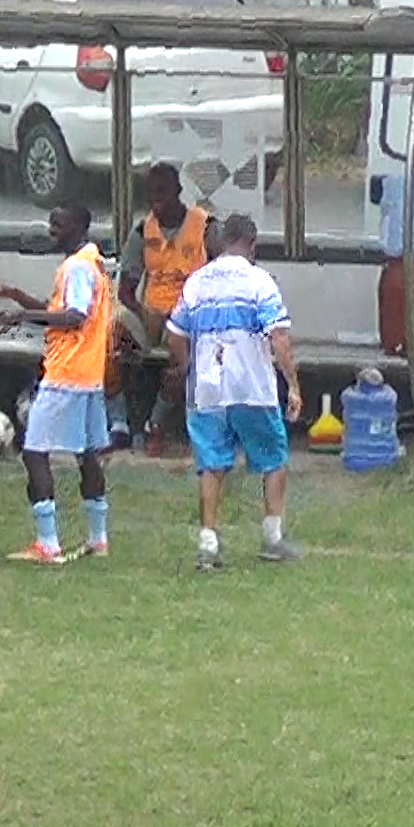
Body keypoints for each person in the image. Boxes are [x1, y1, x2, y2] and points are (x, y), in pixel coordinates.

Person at [163, 213, 304, 570]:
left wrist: (186, 367)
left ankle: (208, 542)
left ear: (221, 242)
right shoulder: (260, 282)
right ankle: (272, 536)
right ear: (252, 244)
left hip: (208, 386)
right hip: (250, 386)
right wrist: (294, 386)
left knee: (210, 463)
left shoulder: (197, 282)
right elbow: (279, 338)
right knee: (273, 457)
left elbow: (175, 334)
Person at [0, 203, 115, 565]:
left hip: (66, 373)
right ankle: (97, 538)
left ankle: (47, 542)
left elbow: (74, 317)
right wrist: (17, 297)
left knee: (34, 450)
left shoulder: (76, 267)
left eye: (59, 224)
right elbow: (59, 308)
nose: (52, 230)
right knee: (87, 452)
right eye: (51, 224)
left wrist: (22, 315)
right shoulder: (93, 263)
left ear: (80, 224)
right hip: (89, 374)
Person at [119, 162, 220, 457]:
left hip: (194, 314)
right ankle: (120, 423)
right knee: (114, 334)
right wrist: (143, 313)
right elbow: (126, 289)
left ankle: (156, 424)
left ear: (178, 191)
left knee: (180, 352)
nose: (155, 201)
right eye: (150, 194)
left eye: (161, 192)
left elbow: (224, 275)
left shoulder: (206, 227)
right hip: (153, 313)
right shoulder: (142, 230)